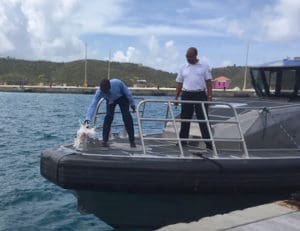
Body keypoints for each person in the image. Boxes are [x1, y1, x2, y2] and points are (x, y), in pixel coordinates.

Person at [175, 47, 213, 149]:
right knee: (185, 119)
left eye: (190, 56)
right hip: (186, 94)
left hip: (200, 94)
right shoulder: (183, 67)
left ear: (195, 56)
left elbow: (209, 83)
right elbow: (179, 83)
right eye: (187, 56)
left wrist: (210, 97)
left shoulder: (204, 66)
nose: (188, 58)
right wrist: (176, 97)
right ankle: (182, 141)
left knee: (203, 119)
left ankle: (209, 144)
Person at [84, 78, 136, 148]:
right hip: (110, 100)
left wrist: (132, 104)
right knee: (108, 117)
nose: (105, 92)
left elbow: (128, 93)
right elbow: (93, 105)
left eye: (107, 91)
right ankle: (105, 141)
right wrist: (87, 119)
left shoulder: (118, 83)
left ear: (110, 87)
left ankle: (132, 141)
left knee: (127, 117)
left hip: (122, 97)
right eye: (104, 92)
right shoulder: (99, 92)